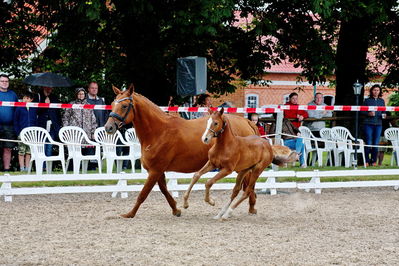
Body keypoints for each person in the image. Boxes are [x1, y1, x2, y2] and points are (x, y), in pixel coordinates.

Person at [361, 84, 386, 166]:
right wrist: (368, 113)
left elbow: (384, 111)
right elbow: (361, 111)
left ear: (379, 92)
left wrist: (384, 115)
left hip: (379, 124)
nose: (376, 92)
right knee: (368, 142)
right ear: (371, 91)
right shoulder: (367, 101)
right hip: (368, 124)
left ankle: (374, 161)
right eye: (374, 90)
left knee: (375, 143)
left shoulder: (382, 101)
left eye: (377, 90)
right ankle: (367, 161)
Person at [34, 86, 62, 157]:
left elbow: (57, 112)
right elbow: (35, 111)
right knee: (41, 145)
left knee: (49, 146)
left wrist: (58, 125)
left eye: (51, 88)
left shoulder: (54, 97)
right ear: (44, 87)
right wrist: (45, 104)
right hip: (41, 125)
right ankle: (42, 166)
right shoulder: (38, 96)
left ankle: (47, 167)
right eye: (48, 88)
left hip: (52, 126)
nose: (49, 89)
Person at [13, 91, 37, 172]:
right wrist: (18, 132)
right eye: (24, 98)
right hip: (21, 132)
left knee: (29, 151)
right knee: (21, 151)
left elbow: (35, 120)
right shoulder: (19, 108)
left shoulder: (34, 108)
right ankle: (22, 168)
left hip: (31, 133)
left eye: (27, 98)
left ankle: (27, 168)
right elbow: (15, 121)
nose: (25, 100)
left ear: (31, 100)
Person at [0, 74, 18, 171]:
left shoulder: (13, 94)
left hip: (9, 126)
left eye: (6, 81)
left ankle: (6, 170)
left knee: (8, 148)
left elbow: (16, 110)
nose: (4, 83)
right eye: (2, 81)